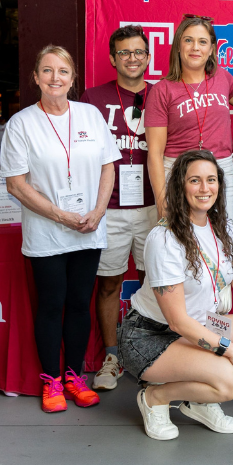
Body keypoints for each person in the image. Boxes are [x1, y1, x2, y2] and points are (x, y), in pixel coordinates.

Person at [117, 150, 233, 441]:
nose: (205, 189)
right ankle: (155, 397)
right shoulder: (164, 238)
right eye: (195, 180)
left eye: (211, 180)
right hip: (152, 335)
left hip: (200, 323)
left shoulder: (225, 228)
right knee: (232, 380)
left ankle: (199, 401)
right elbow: (178, 321)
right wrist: (230, 351)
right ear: (181, 186)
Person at [1, 45, 122, 413]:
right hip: (47, 232)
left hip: (88, 228)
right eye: (48, 71)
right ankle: (52, 381)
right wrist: (60, 215)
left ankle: (75, 377)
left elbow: (107, 166)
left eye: (63, 72)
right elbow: (16, 184)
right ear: (36, 77)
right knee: (52, 305)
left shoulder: (89, 115)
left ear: (73, 78)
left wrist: (99, 210)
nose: (56, 78)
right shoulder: (21, 124)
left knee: (78, 305)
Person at [80, 25, 158, 391]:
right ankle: (111, 356)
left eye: (138, 52)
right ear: (112, 58)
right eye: (124, 52)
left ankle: (149, 354)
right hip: (107, 208)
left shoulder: (161, 95)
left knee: (154, 283)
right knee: (109, 283)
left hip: (152, 207)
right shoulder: (91, 98)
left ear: (148, 56)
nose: (131, 58)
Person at [144, 15, 233, 216]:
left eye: (202, 42)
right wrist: (161, 201)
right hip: (179, 172)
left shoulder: (222, 77)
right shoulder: (162, 90)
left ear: (211, 50)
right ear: (178, 46)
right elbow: (155, 154)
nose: (195, 47)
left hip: (219, 170)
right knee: (180, 242)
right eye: (188, 40)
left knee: (221, 238)